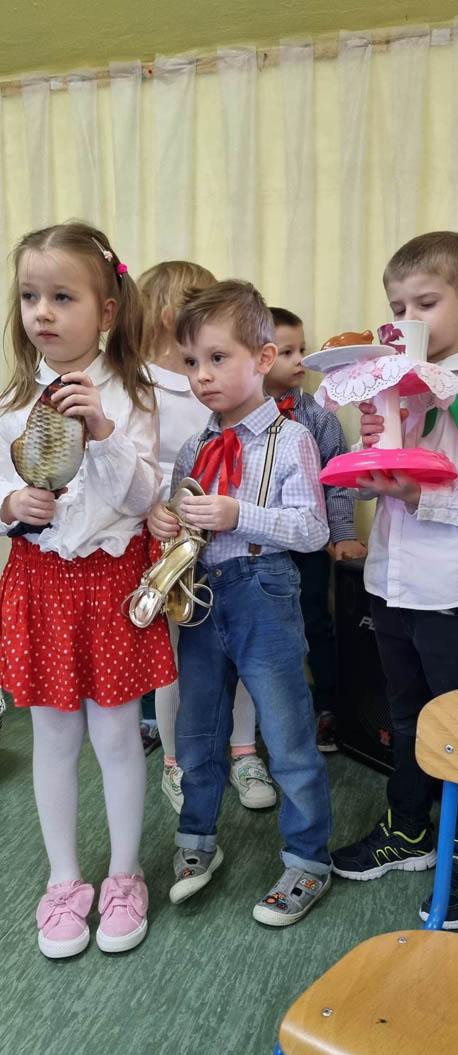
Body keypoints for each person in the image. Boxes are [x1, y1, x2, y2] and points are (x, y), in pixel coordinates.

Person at [331, 231, 458, 929]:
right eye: (396, 308)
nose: (408, 319)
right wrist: (373, 461)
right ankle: (410, 829)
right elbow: (382, 477)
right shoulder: (395, 388)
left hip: (454, 593)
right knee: (407, 717)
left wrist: (418, 494)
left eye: (426, 302)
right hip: (391, 582)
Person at [0, 222, 176, 958]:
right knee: (53, 736)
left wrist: (102, 431)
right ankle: (64, 879)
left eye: (62, 297)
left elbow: (141, 498)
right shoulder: (13, 400)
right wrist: (11, 504)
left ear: (105, 311)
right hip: (41, 584)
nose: (42, 312)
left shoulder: (131, 395)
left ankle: (125, 874)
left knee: (115, 735)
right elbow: (3, 491)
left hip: (110, 585)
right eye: (29, 296)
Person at [147, 280, 333, 926]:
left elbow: (313, 530)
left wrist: (239, 514)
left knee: (287, 734)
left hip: (264, 591)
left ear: (263, 357)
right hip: (202, 597)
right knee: (197, 730)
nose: (201, 376)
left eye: (218, 358)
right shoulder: (195, 446)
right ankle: (197, 839)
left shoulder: (291, 439)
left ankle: (308, 860)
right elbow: (183, 514)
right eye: (191, 361)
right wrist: (167, 521)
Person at [138, 261, 276, 813]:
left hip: (233, 542)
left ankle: (242, 750)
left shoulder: (226, 381)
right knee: (176, 658)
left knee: (238, 650)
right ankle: (176, 762)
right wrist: (158, 507)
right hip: (173, 546)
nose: (205, 370)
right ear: (169, 316)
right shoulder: (140, 385)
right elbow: (137, 466)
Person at [265, 306, 367, 751]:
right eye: (286, 352)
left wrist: (342, 535)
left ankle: (327, 707)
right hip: (258, 548)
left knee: (316, 623)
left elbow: (338, 481)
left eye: (301, 350)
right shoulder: (235, 415)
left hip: (308, 546)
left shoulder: (319, 416)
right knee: (263, 633)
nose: (299, 361)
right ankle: (263, 716)